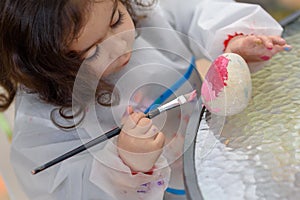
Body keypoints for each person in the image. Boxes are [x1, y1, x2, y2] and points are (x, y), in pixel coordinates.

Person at [0, 0, 292, 199]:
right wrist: (125, 162)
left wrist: (233, 39)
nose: (120, 45)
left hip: (226, 159)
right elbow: (62, 189)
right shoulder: (43, 119)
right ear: (46, 65)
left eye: (116, 20)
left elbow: (196, 9)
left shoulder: (145, 14)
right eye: (92, 51)